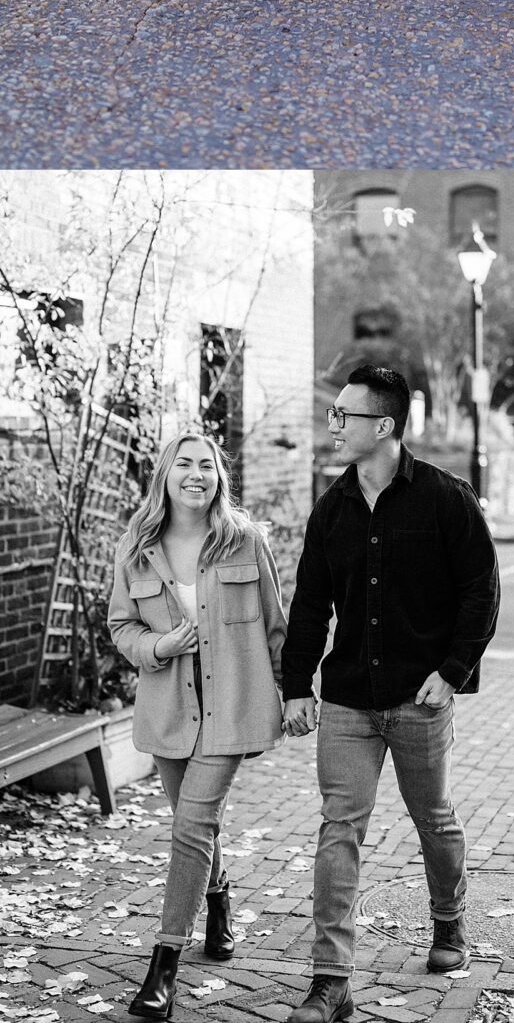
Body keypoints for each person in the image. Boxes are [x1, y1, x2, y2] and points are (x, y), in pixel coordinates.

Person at [279, 365, 500, 1023]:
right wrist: (297, 687)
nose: (334, 424)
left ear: (384, 425)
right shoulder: (332, 509)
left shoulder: (444, 500)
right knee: (339, 828)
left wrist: (452, 671)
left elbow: (480, 592)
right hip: (348, 699)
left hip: (419, 699)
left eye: (345, 414)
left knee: (434, 819)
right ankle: (331, 981)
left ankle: (449, 923)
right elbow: (310, 605)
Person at [108, 432, 287, 1019]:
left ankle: (163, 966)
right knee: (194, 822)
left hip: (232, 709)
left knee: (191, 825)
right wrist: (160, 644)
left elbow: (275, 626)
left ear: (219, 476)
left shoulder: (244, 539)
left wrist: (292, 693)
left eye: (205, 465)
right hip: (169, 713)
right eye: (183, 464)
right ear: (165, 473)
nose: (195, 474)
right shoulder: (137, 545)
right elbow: (120, 628)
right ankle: (218, 900)